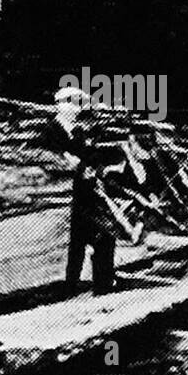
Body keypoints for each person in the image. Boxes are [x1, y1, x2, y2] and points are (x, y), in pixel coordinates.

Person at [46, 87, 123, 293]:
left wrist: (93, 168)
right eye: (74, 103)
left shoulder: (79, 131)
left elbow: (94, 156)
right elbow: (52, 159)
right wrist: (78, 166)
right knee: (78, 240)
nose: (77, 109)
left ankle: (102, 283)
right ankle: (73, 284)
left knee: (103, 235)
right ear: (61, 104)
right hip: (72, 194)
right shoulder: (51, 129)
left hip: (88, 193)